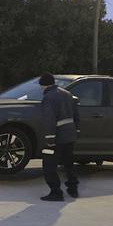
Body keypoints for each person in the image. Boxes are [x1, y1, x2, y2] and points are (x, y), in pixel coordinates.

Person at [39, 72, 80, 201]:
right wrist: (76, 130)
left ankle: (56, 192)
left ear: (43, 85)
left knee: (49, 165)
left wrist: (49, 139)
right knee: (68, 163)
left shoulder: (48, 97)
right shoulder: (67, 94)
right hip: (70, 135)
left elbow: (49, 119)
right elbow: (76, 115)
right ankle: (73, 188)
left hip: (57, 137)